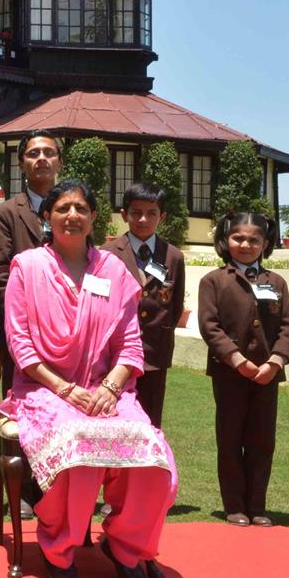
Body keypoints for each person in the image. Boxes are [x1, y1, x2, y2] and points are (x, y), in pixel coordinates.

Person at [0, 180, 176, 578]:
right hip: (44, 389)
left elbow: (131, 343)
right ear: (47, 217)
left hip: (105, 388)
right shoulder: (27, 267)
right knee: (79, 442)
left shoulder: (112, 270)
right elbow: (20, 344)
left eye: (81, 208)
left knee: (150, 452)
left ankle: (125, 545)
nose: (72, 216)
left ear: (95, 216)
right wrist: (64, 389)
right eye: (62, 208)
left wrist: (111, 388)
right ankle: (59, 545)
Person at [198, 211, 289, 529]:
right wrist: (237, 360)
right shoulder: (213, 280)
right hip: (229, 374)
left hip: (267, 376)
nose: (246, 244)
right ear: (226, 240)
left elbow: (286, 327)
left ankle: (257, 505)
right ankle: (235, 505)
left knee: (262, 440)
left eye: (254, 240)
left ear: (265, 244)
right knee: (230, 437)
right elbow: (210, 327)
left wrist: (275, 362)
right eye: (238, 237)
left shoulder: (276, 282)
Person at [0, 131, 60, 519]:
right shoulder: (5, 213)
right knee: (20, 408)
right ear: (21, 163)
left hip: (70, 330)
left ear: (59, 162)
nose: (41, 159)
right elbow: (1, 273)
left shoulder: (72, 207)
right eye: (33, 153)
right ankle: (19, 490)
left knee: (61, 406)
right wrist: (32, 317)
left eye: (49, 153)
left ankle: (54, 486)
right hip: (21, 330)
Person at [103, 183, 185, 429]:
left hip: (154, 353)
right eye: (136, 212)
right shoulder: (107, 254)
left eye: (152, 213)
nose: (143, 219)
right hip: (114, 355)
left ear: (163, 216)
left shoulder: (173, 256)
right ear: (124, 214)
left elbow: (176, 305)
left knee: (150, 421)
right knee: (114, 419)